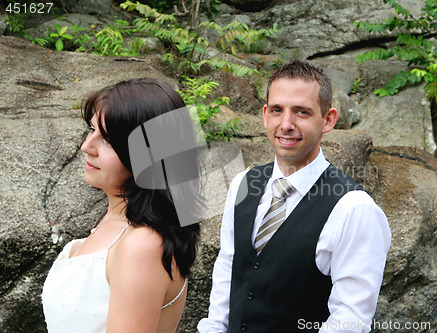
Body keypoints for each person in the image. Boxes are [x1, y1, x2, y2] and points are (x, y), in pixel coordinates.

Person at [197, 60, 391, 333]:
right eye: (277, 110)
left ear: (328, 120)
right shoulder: (243, 184)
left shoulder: (354, 209)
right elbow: (228, 270)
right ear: (265, 115)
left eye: (301, 112)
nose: (286, 124)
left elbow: (350, 319)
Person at [42, 78, 201, 333]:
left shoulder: (143, 245)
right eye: (91, 130)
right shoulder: (117, 222)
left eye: (106, 140)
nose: (86, 147)